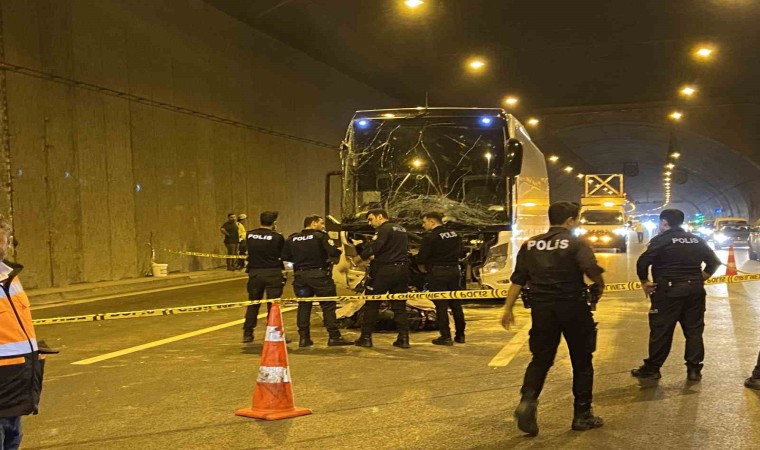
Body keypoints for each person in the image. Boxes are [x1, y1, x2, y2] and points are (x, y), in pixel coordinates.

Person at [501, 201, 605, 436]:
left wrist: (507, 308)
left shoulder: (530, 245)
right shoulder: (577, 243)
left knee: (540, 359)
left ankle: (528, 400)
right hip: (573, 307)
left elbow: (518, 279)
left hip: (542, 309)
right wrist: (598, 288)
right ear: (570, 221)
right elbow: (591, 270)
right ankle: (582, 415)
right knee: (582, 360)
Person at [632, 209, 721, 381]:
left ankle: (652, 369)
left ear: (664, 222)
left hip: (668, 292)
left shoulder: (661, 240)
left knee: (662, 331)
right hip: (695, 291)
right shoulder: (697, 239)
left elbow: (643, 261)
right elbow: (714, 262)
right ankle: (694, 370)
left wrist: (645, 282)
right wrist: (700, 278)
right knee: (694, 331)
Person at [0, 214, 46, 450]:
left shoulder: (8, 277)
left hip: (14, 384)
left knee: (13, 439)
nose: (6, 243)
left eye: (6, 238)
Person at [281, 215, 353, 347]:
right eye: (321, 223)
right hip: (320, 276)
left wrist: (300, 260)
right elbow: (332, 252)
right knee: (328, 306)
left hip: (300, 277)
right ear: (313, 223)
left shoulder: (292, 238)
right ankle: (334, 336)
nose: (323, 226)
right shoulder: (320, 236)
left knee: (303, 306)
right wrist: (339, 250)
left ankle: (304, 338)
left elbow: (285, 256)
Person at [352, 209, 411, 349]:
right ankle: (403, 338)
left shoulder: (383, 229)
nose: (369, 223)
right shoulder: (401, 229)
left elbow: (376, 247)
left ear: (380, 217)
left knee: (372, 303)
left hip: (384, 271)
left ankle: (366, 337)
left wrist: (360, 257)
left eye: (371, 219)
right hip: (402, 270)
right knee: (399, 306)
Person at [416, 211, 465, 346]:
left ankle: (445, 336)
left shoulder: (431, 237)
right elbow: (462, 252)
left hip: (437, 272)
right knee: (456, 304)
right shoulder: (455, 234)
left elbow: (421, 258)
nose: (423, 225)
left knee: (441, 305)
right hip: (455, 271)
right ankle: (460, 335)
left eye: (425, 222)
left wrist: (424, 269)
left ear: (432, 222)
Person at [242, 211, 285, 343]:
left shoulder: (249, 235)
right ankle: (273, 333)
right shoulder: (277, 237)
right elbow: (283, 254)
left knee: (253, 304)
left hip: (255, 273)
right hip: (273, 273)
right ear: (274, 223)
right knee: (273, 306)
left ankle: (248, 333)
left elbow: (244, 250)